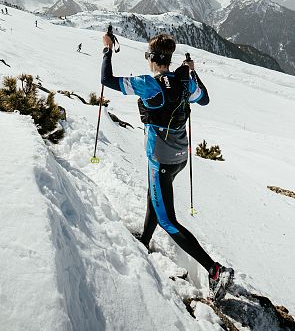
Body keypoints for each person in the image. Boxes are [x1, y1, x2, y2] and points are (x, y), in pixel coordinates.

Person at [100, 32, 234, 301]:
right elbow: (204, 99)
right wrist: (193, 74)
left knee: (167, 220)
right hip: (179, 158)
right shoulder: (183, 82)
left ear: (151, 58)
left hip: (160, 159)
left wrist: (106, 49)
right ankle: (145, 240)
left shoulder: (149, 84)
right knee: (155, 195)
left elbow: (106, 80)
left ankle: (215, 270)